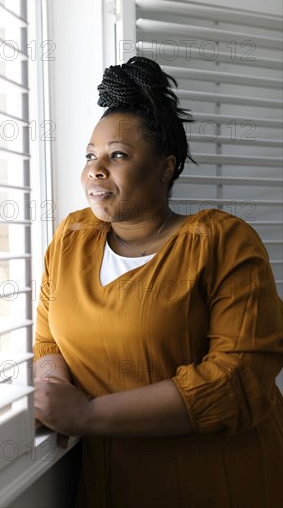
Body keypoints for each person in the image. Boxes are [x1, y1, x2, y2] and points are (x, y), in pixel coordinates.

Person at [33, 56, 283, 508]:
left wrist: (87, 414)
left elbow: (237, 380)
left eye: (118, 156)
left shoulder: (222, 242)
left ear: (166, 168)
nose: (96, 169)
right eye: (91, 155)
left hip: (218, 481)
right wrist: (53, 389)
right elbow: (49, 339)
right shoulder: (71, 238)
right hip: (114, 482)